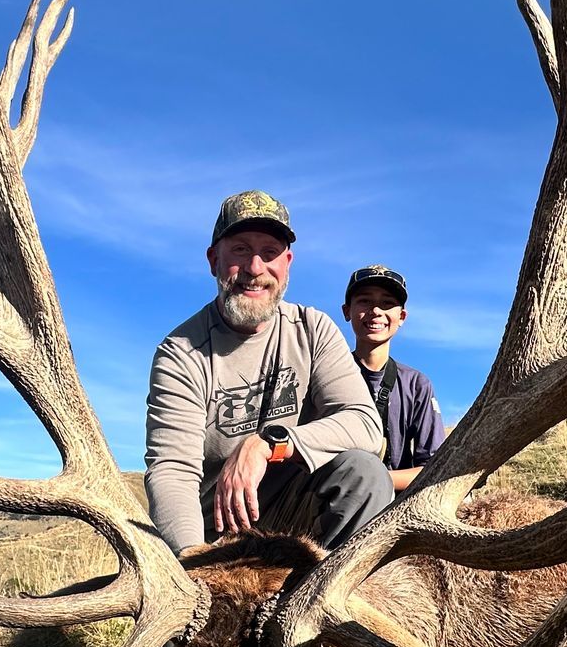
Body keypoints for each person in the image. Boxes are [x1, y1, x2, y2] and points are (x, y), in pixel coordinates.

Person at [145, 191, 392, 555]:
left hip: (294, 516)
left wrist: (268, 444)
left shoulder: (312, 329)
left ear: (287, 263)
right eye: (241, 250)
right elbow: (172, 471)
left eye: (270, 252)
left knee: (365, 473)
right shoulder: (181, 352)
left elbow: (365, 425)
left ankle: (329, 602)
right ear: (214, 260)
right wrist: (193, 559)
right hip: (218, 532)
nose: (255, 268)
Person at [341, 265, 446, 493]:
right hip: (334, 496)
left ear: (402, 317)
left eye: (387, 303)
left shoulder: (417, 384)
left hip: (393, 502)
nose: (376, 311)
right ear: (347, 311)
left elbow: (433, 468)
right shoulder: (328, 374)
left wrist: (370, 481)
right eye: (365, 301)